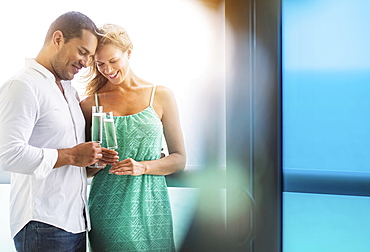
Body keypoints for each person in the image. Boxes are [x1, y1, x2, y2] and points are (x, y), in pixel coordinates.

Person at [0, 12, 118, 252]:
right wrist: (72, 156)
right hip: (42, 224)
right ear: (58, 39)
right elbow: (7, 154)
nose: (86, 63)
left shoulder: (68, 90)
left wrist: (92, 162)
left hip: (75, 222)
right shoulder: (23, 85)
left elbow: (69, 160)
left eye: (90, 57)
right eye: (82, 52)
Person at [80, 23, 186, 251]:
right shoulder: (90, 104)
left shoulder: (161, 96)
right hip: (107, 209)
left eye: (113, 61)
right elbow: (80, 169)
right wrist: (97, 163)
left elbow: (179, 159)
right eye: (100, 64)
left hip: (152, 207)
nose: (107, 69)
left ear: (128, 52)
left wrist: (143, 167)